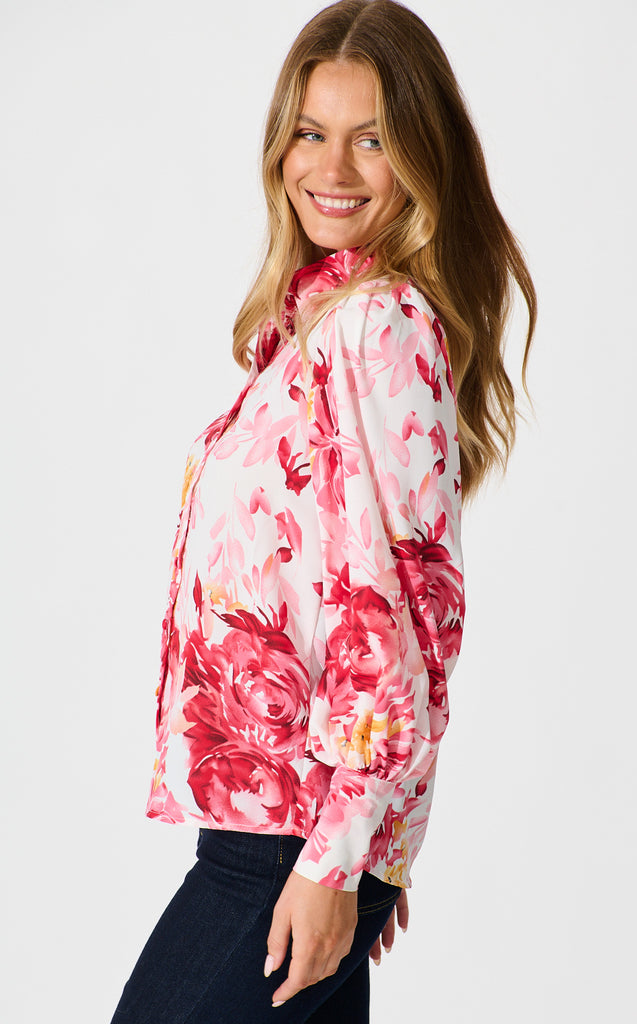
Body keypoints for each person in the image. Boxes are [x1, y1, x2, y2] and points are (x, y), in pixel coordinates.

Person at [110, 1, 536, 1021]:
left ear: (418, 160)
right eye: (310, 132)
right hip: (285, 837)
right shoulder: (315, 325)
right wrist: (364, 842)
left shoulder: (379, 327)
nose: (332, 167)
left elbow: (402, 614)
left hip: (288, 847)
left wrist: (342, 851)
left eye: (371, 139)